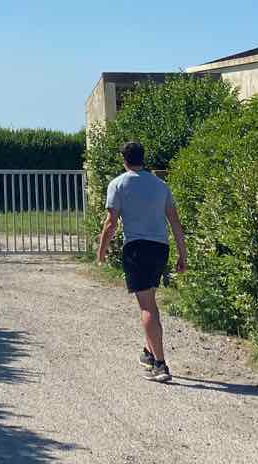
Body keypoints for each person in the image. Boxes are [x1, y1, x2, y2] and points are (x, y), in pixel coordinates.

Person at [96, 140, 187, 383]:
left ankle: (160, 364)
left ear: (123, 159)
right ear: (143, 158)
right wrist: (183, 253)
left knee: (147, 307)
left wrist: (101, 251)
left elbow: (111, 223)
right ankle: (148, 351)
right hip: (160, 248)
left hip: (137, 248)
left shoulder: (118, 184)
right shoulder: (160, 185)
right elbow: (174, 221)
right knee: (151, 302)